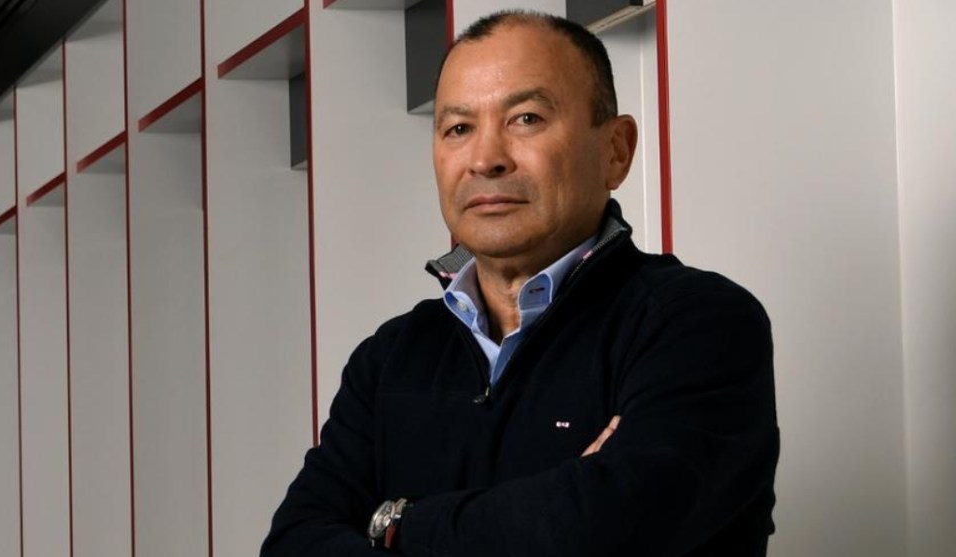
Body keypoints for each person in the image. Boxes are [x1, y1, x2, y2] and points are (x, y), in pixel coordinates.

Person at [261, 9, 778, 556]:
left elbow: (604, 532)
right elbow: (294, 542)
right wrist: (548, 513)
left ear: (616, 150)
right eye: (458, 128)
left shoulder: (697, 324)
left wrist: (393, 524)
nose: (485, 159)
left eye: (526, 118)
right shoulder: (390, 357)